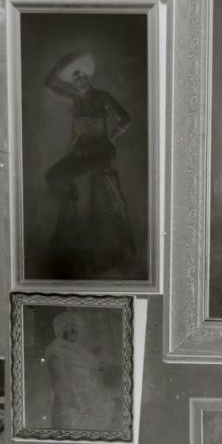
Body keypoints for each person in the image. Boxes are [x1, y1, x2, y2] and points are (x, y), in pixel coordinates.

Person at [41, 49, 136, 281]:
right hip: (80, 154)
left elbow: (125, 120)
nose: (79, 79)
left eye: (82, 75)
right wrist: (59, 66)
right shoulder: (74, 99)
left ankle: (79, 229)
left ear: (88, 75)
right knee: (52, 176)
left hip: (100, 155)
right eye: (74, 77)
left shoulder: (102, 97)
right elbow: (48, 86)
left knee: (75, 180)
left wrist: (111, 137)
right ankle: (68, 219)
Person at [44, 310, 115, 432]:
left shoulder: (82, 352)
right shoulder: (56, 351)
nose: (73, 330)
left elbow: (93, 377)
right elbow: (58, 385)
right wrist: (78, 403)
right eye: (69, 327)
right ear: (61, 330)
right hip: (70, 408)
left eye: (75, 327)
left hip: (89, 404)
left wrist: (95, 396)